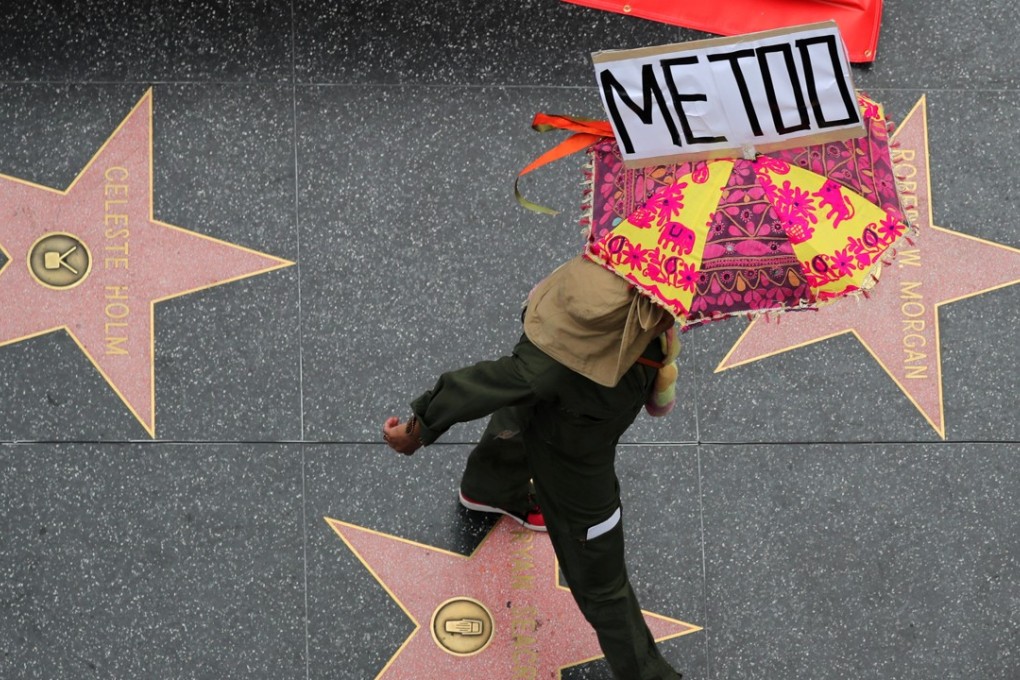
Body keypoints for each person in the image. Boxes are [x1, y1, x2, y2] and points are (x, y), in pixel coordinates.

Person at [382, 254, 683, 680]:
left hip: (556, 404)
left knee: (526, 412)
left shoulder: (613, 263)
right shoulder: (565, 355)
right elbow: (497, 381)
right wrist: (418, 427)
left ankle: (490, 487)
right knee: (602, 582)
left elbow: (523, 381)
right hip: (576, 456)